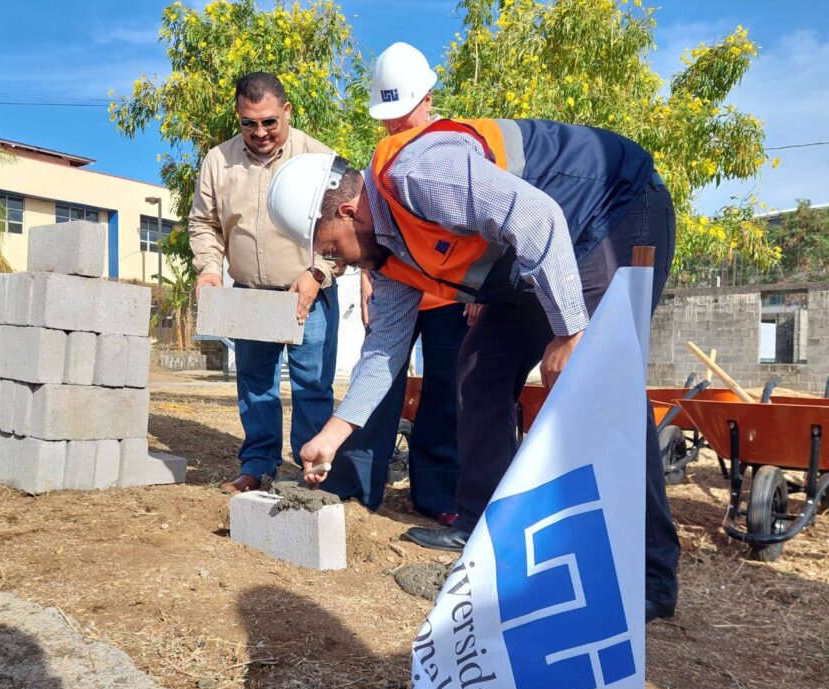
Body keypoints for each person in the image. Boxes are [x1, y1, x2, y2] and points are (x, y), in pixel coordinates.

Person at [267, 115, 681, 622]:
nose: (342, 264)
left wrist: (573, 333)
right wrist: (333, 434)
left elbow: (536, 217)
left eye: (332, 248)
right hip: (543, 252)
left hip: (612, 211)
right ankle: (483, 527)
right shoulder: (389, 253)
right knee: (478, 370)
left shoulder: (420, 174)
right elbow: (385, 350)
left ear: (349, 210)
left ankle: (652, 574)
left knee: (601, 378)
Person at [322, 43, 468, 526]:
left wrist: (482, 297)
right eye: (386, 118)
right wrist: (368, 275)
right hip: (399, 292)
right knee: (380, 385)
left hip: (453, 297)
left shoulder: (456, 150)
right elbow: (372, 228)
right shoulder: (383, 160)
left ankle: (437, 495)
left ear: (428, 98)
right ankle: (357, 484)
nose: (393, 126)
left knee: (446, 392)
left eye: (401, 114)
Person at [189, 73, 339, 493]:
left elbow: (346, 229)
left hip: (309, 294)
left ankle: (312, 473)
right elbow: (204, 223)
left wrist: (317, 274)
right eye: (248, 123)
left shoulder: (320, 159)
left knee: (312, 386)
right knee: (256, 387)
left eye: (269, 122)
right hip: (250, 295)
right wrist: (210, 268)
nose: (260, 133)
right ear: (238, 117)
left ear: (287, 111)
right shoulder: (218, 161)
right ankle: (258, 465)